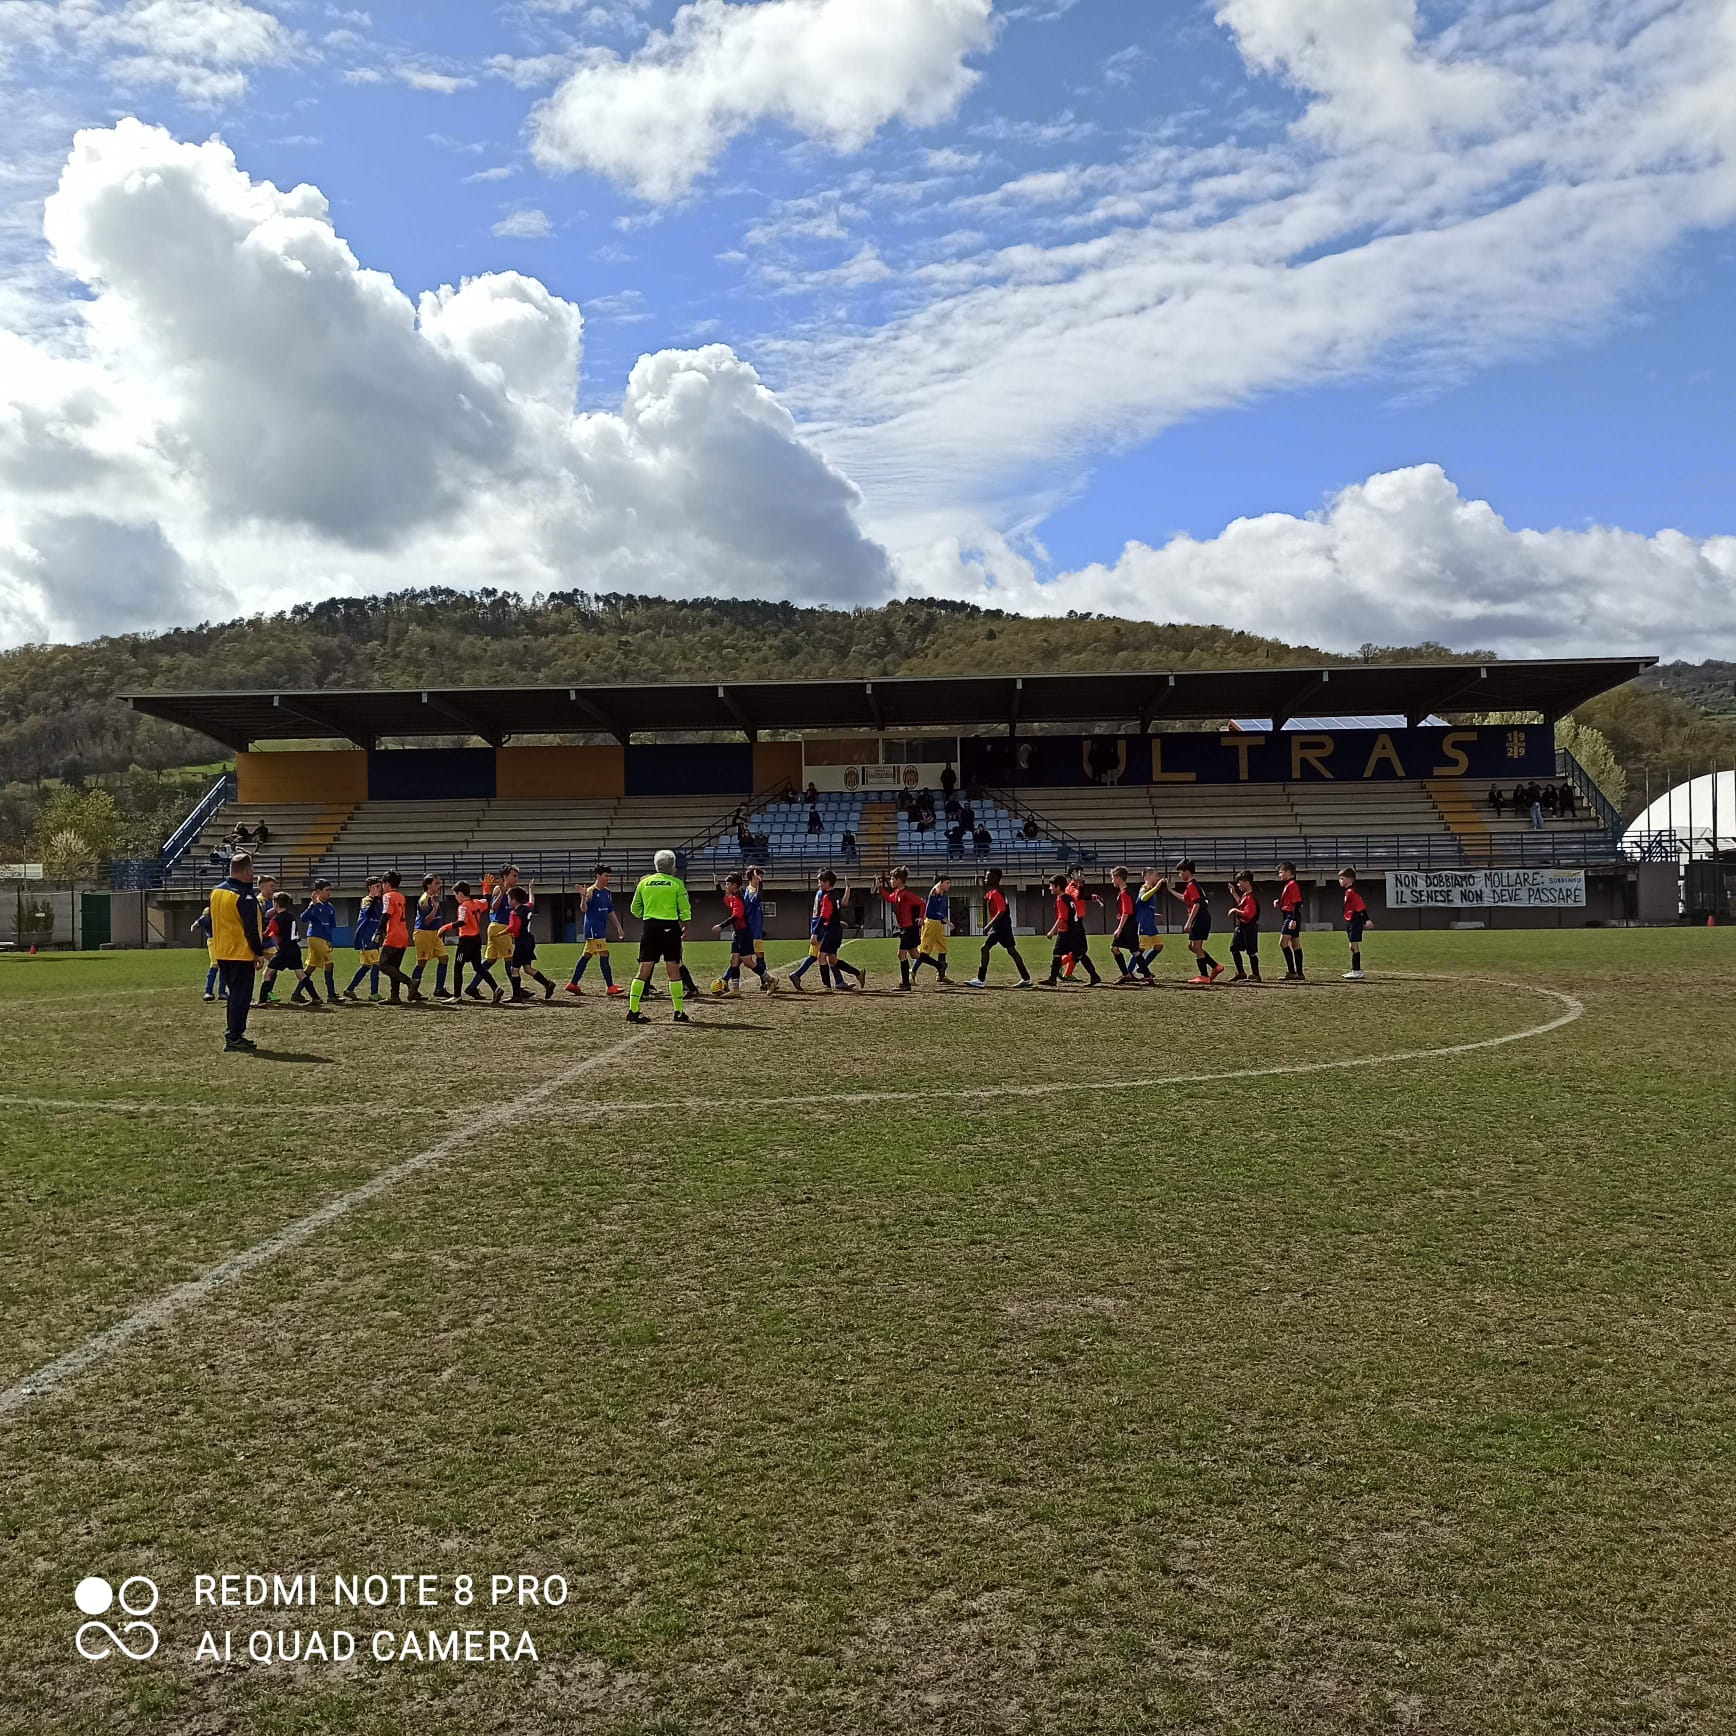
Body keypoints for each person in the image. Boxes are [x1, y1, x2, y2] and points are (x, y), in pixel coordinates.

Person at [209, 852, 267, 1052]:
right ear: (248, 871)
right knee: (241, 997)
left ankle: (234, 1034)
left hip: (222, 951)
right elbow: (250, 928)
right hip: (240, 953)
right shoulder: (245, 895)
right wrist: (259, 952)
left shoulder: (216, 891)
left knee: (235, 995)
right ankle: (234, 1036)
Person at [627, 850, 693, 1023]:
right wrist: (686, 925)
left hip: (650, 928)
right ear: (672, 866)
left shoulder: (644, 883)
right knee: (673, 970)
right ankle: (678, 1012)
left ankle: (633, 1010)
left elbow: (634, 909)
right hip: (670, 928)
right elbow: (684, 908)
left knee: (643, 969)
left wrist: (647, 915)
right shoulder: (677, 883)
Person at [965, 866, 1031, 988]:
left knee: (984, 949)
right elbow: (986, 895)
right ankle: (1026, 978)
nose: (985, 879)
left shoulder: (995, 893)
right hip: (1005, 925)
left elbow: (1001, 910)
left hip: (1000, 926)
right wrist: (978, 885)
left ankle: (980, 980)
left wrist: (989, 925)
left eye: (987, 877)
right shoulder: (995, 891)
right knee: (1011, 951)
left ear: (995, 879)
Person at [568, 866, 626, 997]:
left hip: (600, 928)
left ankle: (573, 984)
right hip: (593, 928)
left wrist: (618, 927)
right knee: (604, 954)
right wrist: (583, 897)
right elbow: (584, 909)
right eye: (606, 876)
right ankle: (610, 987)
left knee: (587, 955)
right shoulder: (591, 891)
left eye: (609, 876)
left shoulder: (607, 893)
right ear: (598, 876)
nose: (608, 878)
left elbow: (610, 911)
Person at [1165, 860, 1223, 986]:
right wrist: (1170, 890)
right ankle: (1215, 966)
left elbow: (1197, 904)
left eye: (1180, 872)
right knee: (1192, 946)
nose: (1179, 875)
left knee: (1196, 947)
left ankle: (1204, 976)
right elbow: (1184, 898)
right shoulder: (1192, 885)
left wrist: (1189, 922)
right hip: (1200, 918)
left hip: (1200, 918)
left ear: (1186, 871)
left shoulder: (1192, 886)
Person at [445, 880, 502, 1003]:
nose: (456, 897)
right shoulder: (476, 903)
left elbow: (462, 922)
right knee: (478, 967)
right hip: (476, 939)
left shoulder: (463, 906)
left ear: (460, 894)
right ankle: (496, 988)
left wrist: (445, 927)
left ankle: (456, 996)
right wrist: (486, 889)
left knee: (457, 967)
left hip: (465, 941)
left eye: (455, 895)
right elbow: (486, 901)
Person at [1042, 874, 1100, 986]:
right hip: (1069, 930)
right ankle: (1052, 979)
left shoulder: (1061, 900)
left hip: (1068, 932)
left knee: (1079, 954)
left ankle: (1094, 976)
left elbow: (1062, 918)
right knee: (1058, 953)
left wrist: (1052, 932)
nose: (1050, 888)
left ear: (1058, 887)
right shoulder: (1068, 898)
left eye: (1051, 886)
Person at [377, 869, 423, 1004]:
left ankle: (409, 982)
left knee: (383, 965)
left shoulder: (387, 896)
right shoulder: (401, 896)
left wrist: (379, 930)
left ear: (386, 883)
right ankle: (394, 996)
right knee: (394, 967)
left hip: (393, 935)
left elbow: (386, 913)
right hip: (403, 934)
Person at [506, 885, 558, 1000]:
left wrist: (500, 933)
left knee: (514, 969)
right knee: (527, 968)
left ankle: (516, 996)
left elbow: (513, 928)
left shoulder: (515, 912)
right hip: (529, 940)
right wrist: (531, 889)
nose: (508, 901)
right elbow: (532, 902)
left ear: (514, 900)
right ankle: (548, 984)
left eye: (509, 898)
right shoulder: (526, 908)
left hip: (521, 941)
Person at [879, 867, 926, 990]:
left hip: (909, 928)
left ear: (899, 880)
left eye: (892, 879)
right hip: (905, 928)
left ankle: (905, 984)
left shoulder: (907, 894)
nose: (891, 881)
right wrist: (880, 887)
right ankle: (939, 965)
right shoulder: (897, 893)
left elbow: (922, 903)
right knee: (915, 954)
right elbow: (889, 898)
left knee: (901, 955)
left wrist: (921, 917)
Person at [711, 872, 756, 995]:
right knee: (734, 960)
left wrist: (721, 926)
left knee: (747, 961)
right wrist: (717, 884)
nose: (726, 886)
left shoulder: (737, 898)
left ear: (735, 885)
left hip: (744, 933)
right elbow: (722, 897)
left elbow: (736, 916)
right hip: (738, 933)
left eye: (728, 884)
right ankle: (735, 990)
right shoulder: (732, 897)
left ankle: (768, 979)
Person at [298, 878, 341, 1004]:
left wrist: (330, 940)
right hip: (315, 937)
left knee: (310, 967)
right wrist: (312, 904)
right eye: (326, 890)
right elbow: (303, 918)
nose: (329, 892)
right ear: (318, 891)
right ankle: (331, 995)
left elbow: (331, 926)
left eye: (330, 890)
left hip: (324, 939)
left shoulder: (330, 907)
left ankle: (296, 993)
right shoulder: (314, 905)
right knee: (329, 964)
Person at [410, 874, 452, 1000]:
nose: (439, 885)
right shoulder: (425, 900)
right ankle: (413, 990)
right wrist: (435, 908)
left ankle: (439, 989)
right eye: (436, 883)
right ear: (428, 885)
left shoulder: (434, 897)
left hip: (434, 933)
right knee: (422, 961)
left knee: (444, 958)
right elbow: (426, 921)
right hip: (424, 933)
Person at [344, 877, 385, 1001]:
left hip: (373, 936)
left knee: (366, 966)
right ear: (370, 888)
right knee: (376, 964)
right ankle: (374, 993)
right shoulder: (366, 900)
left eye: (380, 886)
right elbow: (367, 913)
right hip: (366, 936)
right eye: (376, 887)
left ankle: (350, 989)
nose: (380, 889)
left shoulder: (379, 902)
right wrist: (376, 899)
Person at [912, 875, 952, 983]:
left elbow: (940, 913)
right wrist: (937, 884)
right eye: (947, 883)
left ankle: (941, 975)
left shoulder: (943, 896)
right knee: (924, 951)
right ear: (940, 883)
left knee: (943, 948)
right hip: (930, 924)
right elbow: (934, 890)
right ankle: (912, 972)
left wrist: (948, 922)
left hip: (938, 924)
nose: (949, 885)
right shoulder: (935, 892)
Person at [1108, 866, 1142, 983]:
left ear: (1118, 878)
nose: (1112, 880)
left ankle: (1144, 975)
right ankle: (1127, 974)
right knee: (1117, 949)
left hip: (1128, 926)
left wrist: (1119, 929)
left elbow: (1126, 912)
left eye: (1113, 878)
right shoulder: (1126, 892)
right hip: (1129, 925)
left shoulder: (1124, 893)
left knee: (1133, 951)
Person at [1130, 868, 1164, 982]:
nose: (1157, 878)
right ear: (1148, 876)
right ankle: (1129, 971)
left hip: (1151, 924)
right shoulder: (1144, 888)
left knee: (1159, 946)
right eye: (1155, 875)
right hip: (1143, 923)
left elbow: (1144, 907)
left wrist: (1154, 914)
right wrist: (1157, 887)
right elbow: (1143, 898)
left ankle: (1142, 968)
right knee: (1140, 949)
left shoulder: (1151, 890)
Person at [1275, 859, 1306, 983]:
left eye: (1281, 872)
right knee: (1295, 944)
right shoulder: (1289, 884)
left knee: (1283, 943)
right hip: (1290, 915)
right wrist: (1280, 902)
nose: (1279, 874)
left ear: (1288, 872)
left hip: (1291, 916)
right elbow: (1291, 901)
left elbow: (1297, 903)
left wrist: (1293, 919)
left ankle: (1292, 972)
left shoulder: (1292, 884)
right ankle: (1299, 973)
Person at [1228, 871, 1262, 983]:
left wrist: (1235, 910)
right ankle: (1241, 973)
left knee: (1251, 951)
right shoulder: (1245, 896)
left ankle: (1256, 975)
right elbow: (1242, 905)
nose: (1238, 885)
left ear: (1247, 882)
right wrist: (1234, 893)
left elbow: (1248, 914)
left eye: (1240, 882)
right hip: (1241, 927)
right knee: (1234, 948)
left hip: (1249, 927)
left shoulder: (1250, 898)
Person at [1340, 866, 1370, 979]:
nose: (1340, 881)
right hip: (1351, 921)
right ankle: (1355, 970)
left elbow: (1360, 906)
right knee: (1352, 946)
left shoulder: (1351, 892)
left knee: (1354, 946)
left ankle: (1357, 971)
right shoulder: (1348, 892)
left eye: (1342, 878)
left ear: (1350, 879)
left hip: (1355, 921)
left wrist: (1366, 919)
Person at [193, 905, 223, 1001]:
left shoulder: (218, 911)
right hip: (214, 941)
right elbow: (197, 923)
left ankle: (221, 992)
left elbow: (194, 925)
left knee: (223, 965)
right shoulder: (210, 913)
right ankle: (209, 991)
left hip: (222, 940)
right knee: (215, 965)